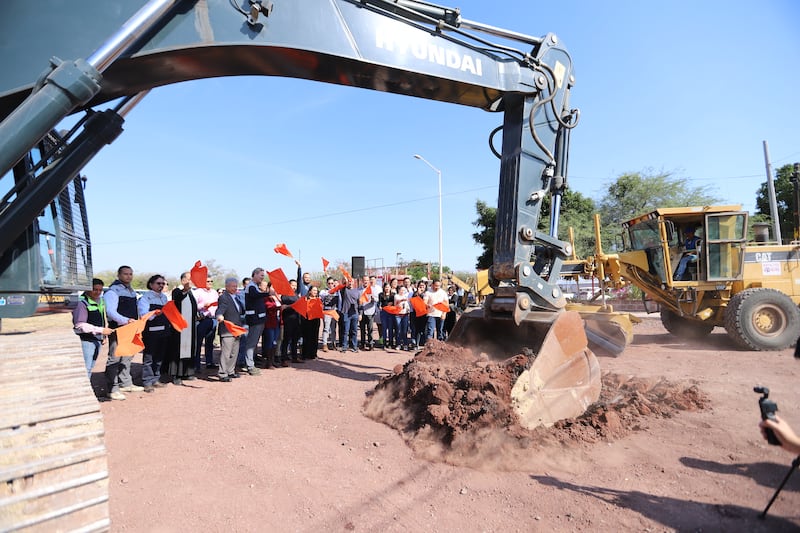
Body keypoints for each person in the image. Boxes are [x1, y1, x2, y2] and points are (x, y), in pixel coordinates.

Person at [104, 265, 144, 400]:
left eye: (131, 274)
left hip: (130, 328)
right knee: (114, 358)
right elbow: (110, 311)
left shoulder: (131, 291)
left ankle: (125, 383)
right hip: (118, 329)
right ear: (119, 275)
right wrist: (126, 320)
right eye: (126, 274)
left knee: (127, 356)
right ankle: (112, 388)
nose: (129, 276)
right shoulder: (112, 291)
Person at [72, 277, 112, 380]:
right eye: (95, 289)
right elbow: (80, 325)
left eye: (100, 290)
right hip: (86, 340)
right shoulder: (82, 303)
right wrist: (101, 330)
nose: (98, 292)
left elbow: (103, 319)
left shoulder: (101, 302)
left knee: (91, 366)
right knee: (86, 368)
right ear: (87, 289)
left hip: (97, 339)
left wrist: (103, 336)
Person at [137, 275, 172, 392]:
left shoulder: (164, 298)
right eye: (158, 283)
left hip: (163, 332)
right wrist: (154, 314)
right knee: (149, 358)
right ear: (151, 284)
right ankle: (147, 382)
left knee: (159, 357)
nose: (161, 286)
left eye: (163, 283)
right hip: (151, 333)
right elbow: (143, 315)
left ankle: (155, 379)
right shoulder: (145, 298)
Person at [167, 272, 198, 385]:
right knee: (178, 350)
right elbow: (178, 300)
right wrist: (185, 290)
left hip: (190, 325)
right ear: (183, 280)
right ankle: (177, 374)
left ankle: (187, 372)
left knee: (189, 349)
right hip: (179, 326)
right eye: (189, 279)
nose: (191, 281)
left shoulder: (191, 293)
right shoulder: (177, 291)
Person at [215, 277, 245, 382]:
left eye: (236, 286)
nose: (235, 288)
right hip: (227, 330)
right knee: (226, 353)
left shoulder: (237, 297)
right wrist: (219, 315)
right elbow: (220, 308)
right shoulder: (224, 297)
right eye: (233, 286)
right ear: (227, 286)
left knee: (234, 352)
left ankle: (230, 371)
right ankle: (223, 373)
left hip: (237, 329)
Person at [242, 268, 267, 376]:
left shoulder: (254, 286)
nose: (262, 278)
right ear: (255, 274)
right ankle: (250, 366)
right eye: (261, 275)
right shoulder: (251, 286)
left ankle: (251, 363)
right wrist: (267, 293)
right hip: (254, 320)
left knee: (253, 343)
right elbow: (255, 295)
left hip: (259, 319)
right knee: (251, 344)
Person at [193, 277, 219, 371]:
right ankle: (196, 364)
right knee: (198, 343)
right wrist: (203, 305)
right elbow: (194, 306)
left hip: (212, 319)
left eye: (211, 281)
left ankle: (209, 362)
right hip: (202, 319)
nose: (210, 283)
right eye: (208, 281)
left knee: (210, 342)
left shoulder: (214, 293)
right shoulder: (198, 292)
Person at [279, 279, 302, 365]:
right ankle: (283, 358)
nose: (294, 287)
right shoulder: (285, 295)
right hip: (288, 319)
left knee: (295, 339)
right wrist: (294, 305)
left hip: (296, 319)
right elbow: (284, 306)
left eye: (295, 286)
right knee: (286, 339)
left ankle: (294, 357)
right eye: (293, 285)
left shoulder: (296, 295)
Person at [261, 282, 282, 368]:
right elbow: (268, 306)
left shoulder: (276, 297)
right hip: (269, 321)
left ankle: (272, 361)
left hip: (276, 321)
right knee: (269, 341)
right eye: (273, 287)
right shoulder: (266, 297)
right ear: (269, 288)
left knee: (274, 341)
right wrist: (279, 307)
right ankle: (268, 362)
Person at [339, 277, 361, 352]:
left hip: (355, 313)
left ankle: (354, 346)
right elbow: (342, 285)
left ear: (354, 283)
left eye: (352, 281)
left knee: (354, 331)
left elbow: (359, 303)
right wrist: (345, 279)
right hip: (346, 313)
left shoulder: (357, 291)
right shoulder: (345, 290)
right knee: (346, 331)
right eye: (349, 281)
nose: (350, 283)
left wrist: (360, 314)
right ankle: (344, 346)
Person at [300, 286, 321, 360]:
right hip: (307, 320)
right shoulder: (305, 299)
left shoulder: (318, 299)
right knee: (306, 337)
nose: (315, 292)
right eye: (314, 290)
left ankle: (313, 354)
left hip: (316, 320)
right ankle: (305, 354)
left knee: (314, 337)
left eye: (316, 290)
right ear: (309, 291)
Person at [359, 275, 379, 350]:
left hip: (370, 311)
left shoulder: (372, 289)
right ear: (362, 281)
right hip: (361, 311)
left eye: (367, 280)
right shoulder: (359, 289)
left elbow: (377, 299)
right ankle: (362, 343)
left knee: (370, 329)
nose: (366, 282)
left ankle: (370, 344)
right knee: (362, 329)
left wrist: (374, 299)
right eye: (364, 280)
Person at [378, 282, 397, 349]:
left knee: (390, 328)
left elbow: (395, 303)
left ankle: (391, 342)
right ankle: (384, 342)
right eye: (386, 287)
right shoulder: (381, 295)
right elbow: (379, 303)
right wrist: (379, 306)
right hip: (384, 312)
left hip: (391, 312)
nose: (387, 288)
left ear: (390, 288)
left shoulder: (393, 295)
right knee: (384, 327)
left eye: (388, 287)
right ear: (384, 288)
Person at [394, 285, 411, 350]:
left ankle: (405, 344)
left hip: (405, 315)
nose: (402, 291)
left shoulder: (406, 296)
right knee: (398, 330)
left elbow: (408, 305)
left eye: (404, 290)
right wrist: (403, 299)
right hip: (398, 315)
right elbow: (397, 301)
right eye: (401, 290)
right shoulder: (396, 296)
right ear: (398, 290)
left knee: (404, 330)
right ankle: (398, 344)